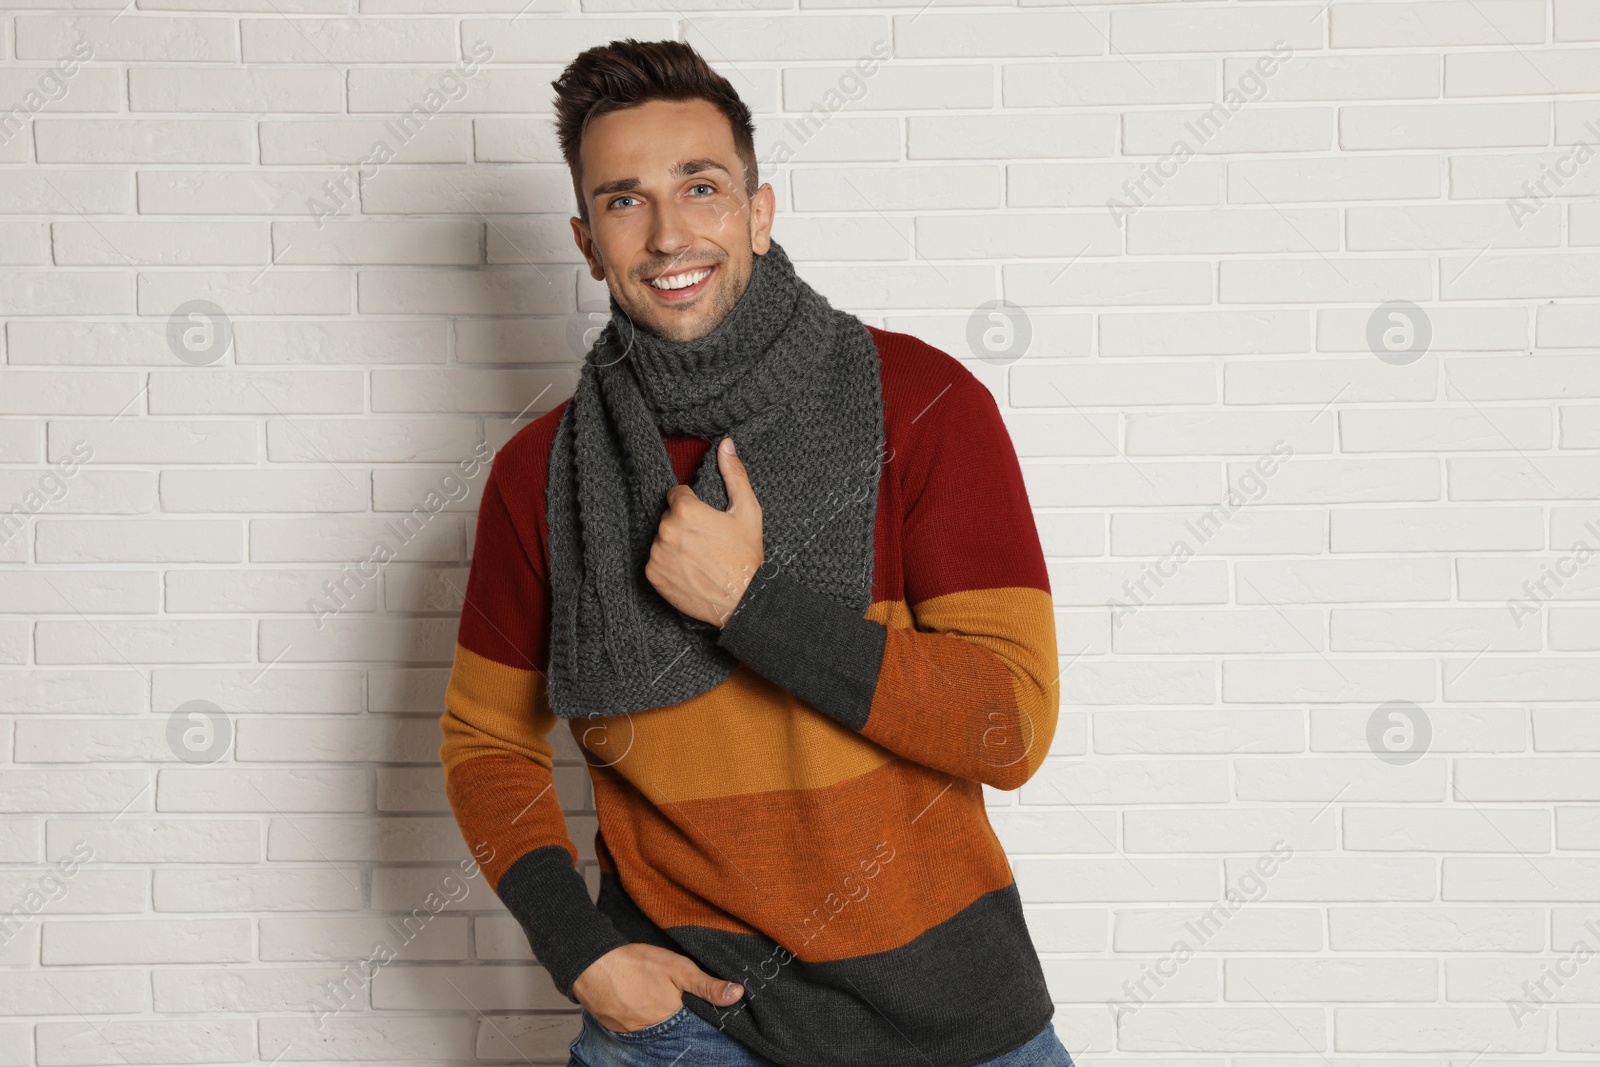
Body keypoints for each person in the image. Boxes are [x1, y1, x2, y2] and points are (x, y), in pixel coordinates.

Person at [439, 37, 1072, 1067]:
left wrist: (749, 602)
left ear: (760, 210)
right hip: (683, 1029)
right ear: (585, 240)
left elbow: (1010, 727)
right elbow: (486, 744)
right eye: (623, 201)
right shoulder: (539, 472)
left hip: (949, 1020)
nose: (667, 233)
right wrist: (584, 953)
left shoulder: (924, 405)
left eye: (700, 187)